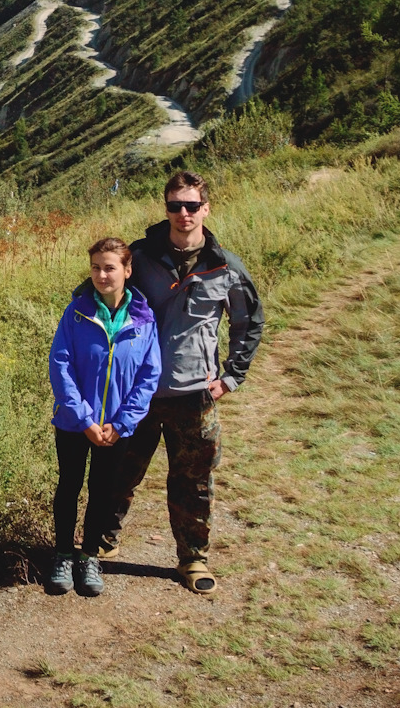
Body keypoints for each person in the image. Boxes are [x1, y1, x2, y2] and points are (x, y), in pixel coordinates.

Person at [95, 171, 264, 594]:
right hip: (138, 393)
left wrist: (231, 377)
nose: (183, 213)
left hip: (194, 395)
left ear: (206, 208)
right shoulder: (140, 256)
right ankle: (101, 542)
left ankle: (193, 559)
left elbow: (249, 322)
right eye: (175, 205)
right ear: (165, 208)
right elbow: (96, 301)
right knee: (119, 471)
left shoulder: (224, 266)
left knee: (193, 481)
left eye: (191, 205)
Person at [46, 236, 161, 598]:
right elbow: (60, 365)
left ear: (127, 270)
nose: (101, 274)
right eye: (95, 267)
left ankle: (89, 556)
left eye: (109, 267)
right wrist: (84, 418)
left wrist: (122, 422)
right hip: (73, 423)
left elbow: (149, 374)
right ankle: (63, 554)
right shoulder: (76, 312)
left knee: (103, 491)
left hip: (116, 428)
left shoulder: (143, 319)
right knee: (69, 486)